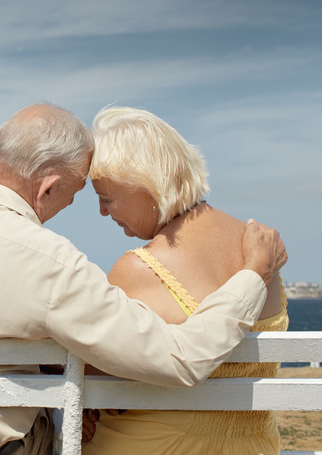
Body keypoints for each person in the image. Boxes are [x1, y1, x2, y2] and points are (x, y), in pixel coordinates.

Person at [0, 103, 287, 455]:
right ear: (48, 188)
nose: (90, 210)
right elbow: (178, 359)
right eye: (79, 193)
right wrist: (254, 275)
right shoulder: (47, 259)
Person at [82, 106, 289, 455]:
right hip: (257, 446)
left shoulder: (139, 268)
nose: (103, 212)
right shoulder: (262, 248)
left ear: (147, 188)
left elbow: (88, 374)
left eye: (107, 199)